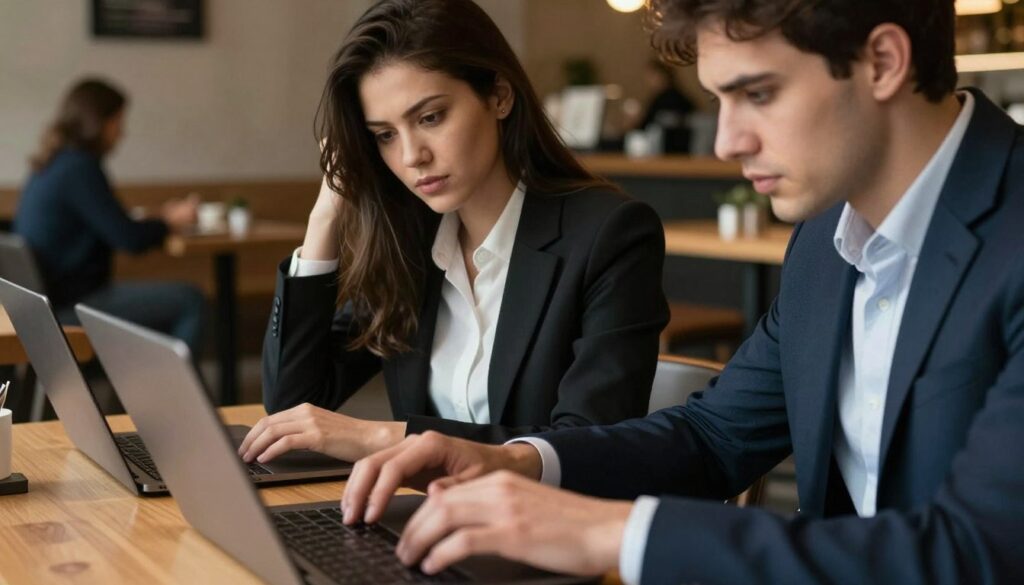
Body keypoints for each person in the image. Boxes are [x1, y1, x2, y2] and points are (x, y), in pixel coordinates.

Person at [338, 1, 1024, 583]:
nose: (726, 140)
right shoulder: (826, 241)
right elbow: (711, 437)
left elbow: (977, 551)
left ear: (882, 62)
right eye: (717, 98)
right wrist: (518, 459)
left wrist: (614, 533)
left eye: (757, 93)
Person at [238, 0, 668, 466]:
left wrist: (383, 438)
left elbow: (587, 445)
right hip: (425, 523)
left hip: (546, 529)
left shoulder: (609, 234)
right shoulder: (412, 244)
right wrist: (326, 215)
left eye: (430, 118)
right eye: (384, 135)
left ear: (499, 95)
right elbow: (291, 404)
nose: (411, 156)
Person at [15, 78, 205, 356]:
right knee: (191, 301)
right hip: (74, 303)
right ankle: (168, 398)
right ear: (98, 122)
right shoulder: (80, 168)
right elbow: (129, 239)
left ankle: (144, 390)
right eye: (118, 122)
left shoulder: (53, 163)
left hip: (45, 302)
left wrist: (161, 216)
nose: (122, 133)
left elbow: (110, 221)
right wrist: (171, 222)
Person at [632, 58, 696, 153]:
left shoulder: (661, 99)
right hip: (686, 150)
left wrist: (633, 121)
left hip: (663, 150)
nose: (648, 81)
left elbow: (643, 125)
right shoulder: (681, 96)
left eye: (651, 76)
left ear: (662, 76)